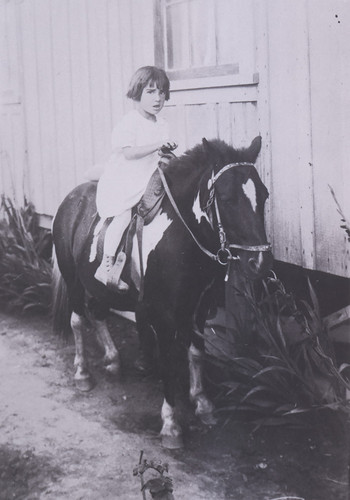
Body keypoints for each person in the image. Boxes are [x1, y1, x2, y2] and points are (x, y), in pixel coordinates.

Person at [94, 66, 174, 291]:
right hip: (126, 179)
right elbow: (129, 153)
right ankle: (106, 264)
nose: (157, 98)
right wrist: (157, 145)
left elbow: (160, 153)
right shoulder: (130, 122)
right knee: (123, 216)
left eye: (161, 93)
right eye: (150, 92)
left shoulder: (162, 124)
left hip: (150, 178)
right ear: (137, 93)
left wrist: (168, 152)